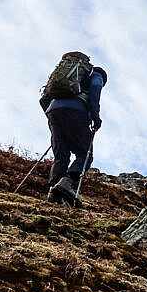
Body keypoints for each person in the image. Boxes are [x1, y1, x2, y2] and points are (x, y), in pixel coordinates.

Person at [40, 53, 107, 205]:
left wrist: (54, 115)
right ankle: (66, 183)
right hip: (76, 113)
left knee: (61, 155)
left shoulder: (64, 80)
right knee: (85, 155)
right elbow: (95, 94)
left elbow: (43, 99)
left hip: (53, 112)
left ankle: (54, 193)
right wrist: (96, 118)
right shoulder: (96, 76)